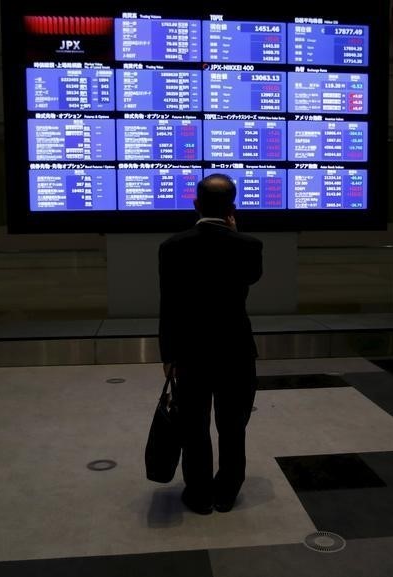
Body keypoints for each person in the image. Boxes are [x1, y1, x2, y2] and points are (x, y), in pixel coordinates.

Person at [158, 174, 263, 515]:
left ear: (195, 204)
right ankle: (227, 493)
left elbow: (169, 305)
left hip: (190, 352)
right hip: (236, 351)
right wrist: (233, 234)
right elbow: (249, 278)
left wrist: (168, 354)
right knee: (233, 427)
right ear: (233, 208)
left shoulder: (172, 247)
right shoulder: (249, 246)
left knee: (193, 427)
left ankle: (200, 494)